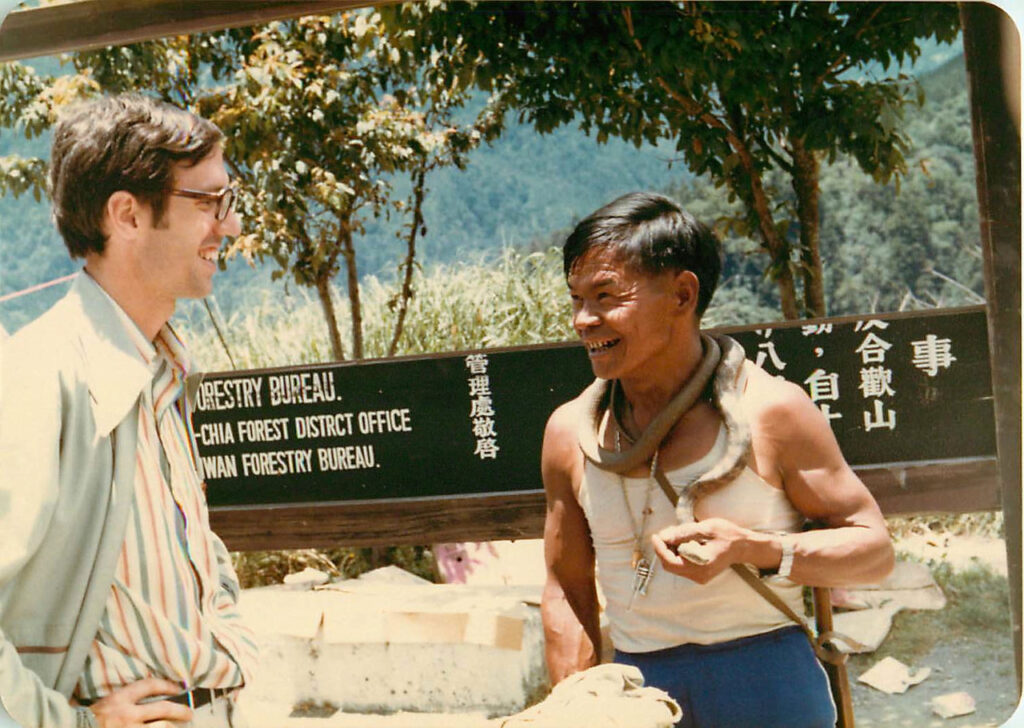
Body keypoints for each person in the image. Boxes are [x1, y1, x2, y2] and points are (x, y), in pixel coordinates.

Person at [540, 191, 894, 728]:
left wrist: (755, 548)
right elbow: (566, 588)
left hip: (769, 683)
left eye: (606, 297)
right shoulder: (570, 433)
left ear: (682, 294)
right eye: (577, 299)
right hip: (637, 694)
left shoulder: (772, 411)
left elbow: (874, 552)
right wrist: (574, 705)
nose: (584, 320)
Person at [0, 94, 258, 728]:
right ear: (127, 215)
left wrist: (229, 633)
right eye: (210, 202)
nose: (229, 225)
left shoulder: (160, 370)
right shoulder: (43, 376)